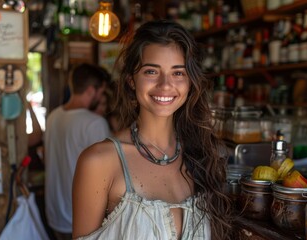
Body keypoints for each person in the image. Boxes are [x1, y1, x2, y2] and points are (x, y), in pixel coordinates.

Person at [72, 20, 234, 239]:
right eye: (151, 71)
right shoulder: (99, 161)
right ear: (131, 80)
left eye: (178, 73)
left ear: (190, 82)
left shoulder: (202, 154)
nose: (166, 85)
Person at [44, 63, 111, 240]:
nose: (101, 96)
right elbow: (108, 174)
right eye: (101, 92)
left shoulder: (53, 116)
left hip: (55, 212)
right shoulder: (94, 123)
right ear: (91, 90)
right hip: (80, 216)